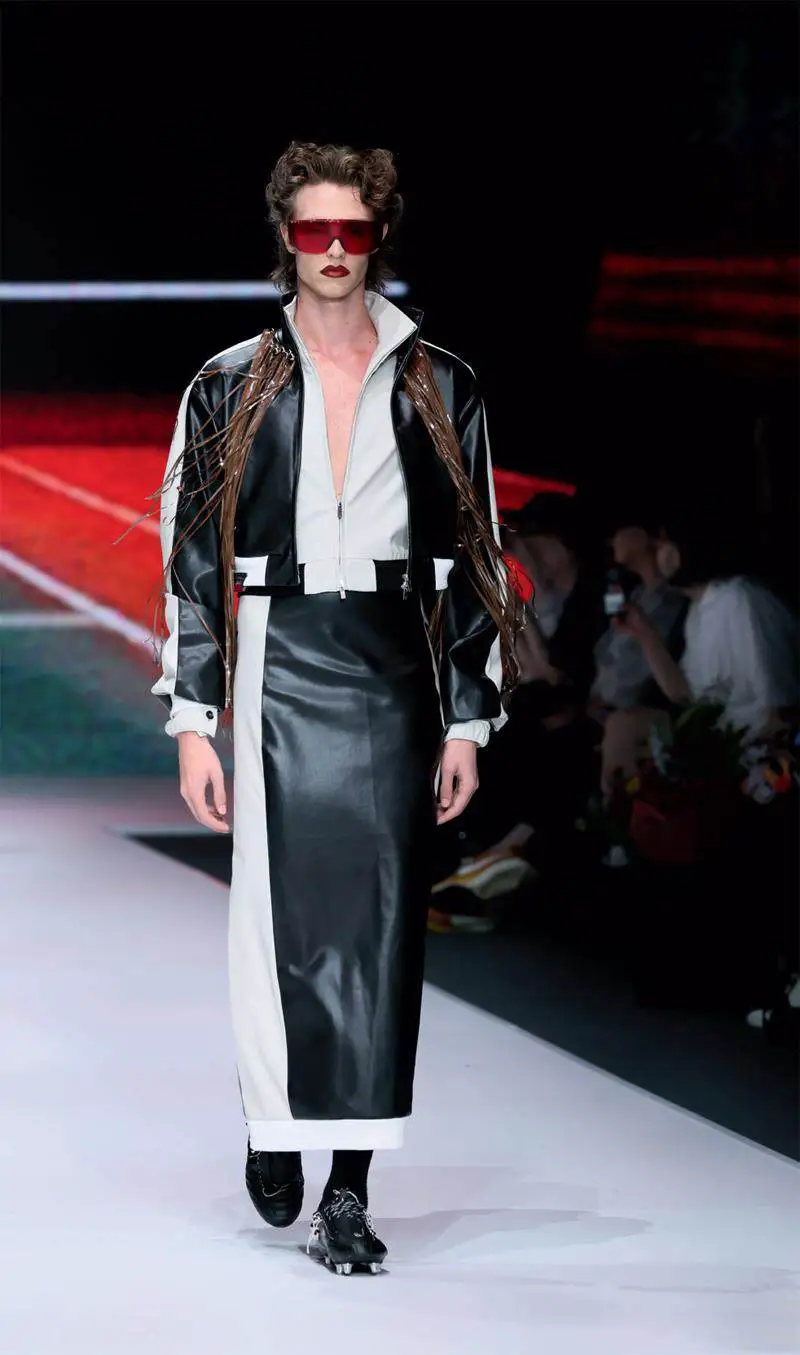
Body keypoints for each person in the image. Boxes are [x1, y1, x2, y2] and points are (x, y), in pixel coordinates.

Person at [150, 141, 522, 1275]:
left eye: (351, 230)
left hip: (393, 660)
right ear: (285, 236)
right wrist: (193, 718)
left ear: (378, 237)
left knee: (378, 925)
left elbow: (477, 556)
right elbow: (192, 559)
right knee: (272, 920)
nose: (331, 249)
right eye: (312, 229)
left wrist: (468, 718)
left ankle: (347, 1188)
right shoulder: (228, 382)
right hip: (276, 649)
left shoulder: (441, 381)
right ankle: (274, 1123)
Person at [431, 492, 605, 916]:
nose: (531, 553)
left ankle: (489, 852)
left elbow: (557, 671)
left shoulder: (592, 596)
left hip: (571, 705)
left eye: (536, 544)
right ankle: (475, 854)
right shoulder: (546, 591)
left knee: (515, 735)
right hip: (539, 699)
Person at [606, 515, 799, 780]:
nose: (657, 550)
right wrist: (646, 635)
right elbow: (685, 696)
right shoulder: (698, 611)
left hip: (746, 751)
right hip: (715, 743)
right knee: (622, 726)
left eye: (662, 543)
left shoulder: (739, 599)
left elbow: (777, 709)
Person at [591, 504, 688, 796]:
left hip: (636, 711)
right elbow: (606, 655)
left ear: (644, 536)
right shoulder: (633, 595)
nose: (612, 541)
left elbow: (646, 672)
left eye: (618, 531)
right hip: (603, 707)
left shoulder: (672, 599)